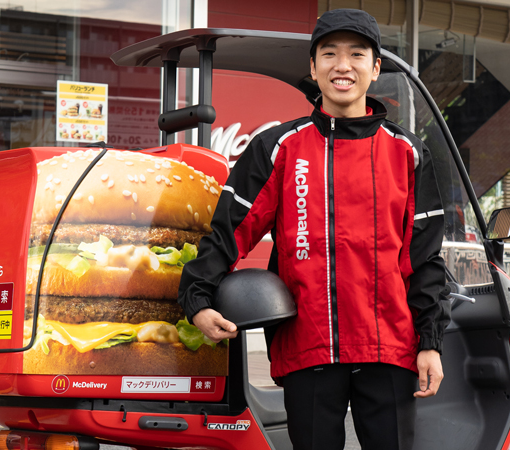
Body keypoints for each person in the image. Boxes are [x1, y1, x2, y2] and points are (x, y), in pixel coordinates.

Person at [177, 9, 450, 450]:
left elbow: (424, 258)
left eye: (357, 54)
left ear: (375, 68)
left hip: (389, 347)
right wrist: (198, 298)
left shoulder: (406, 152)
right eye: (329, 54)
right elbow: (230, 230)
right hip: (310, 347)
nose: (343, 66)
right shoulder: (279, 147)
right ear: (313, 67)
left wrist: (430, 343)